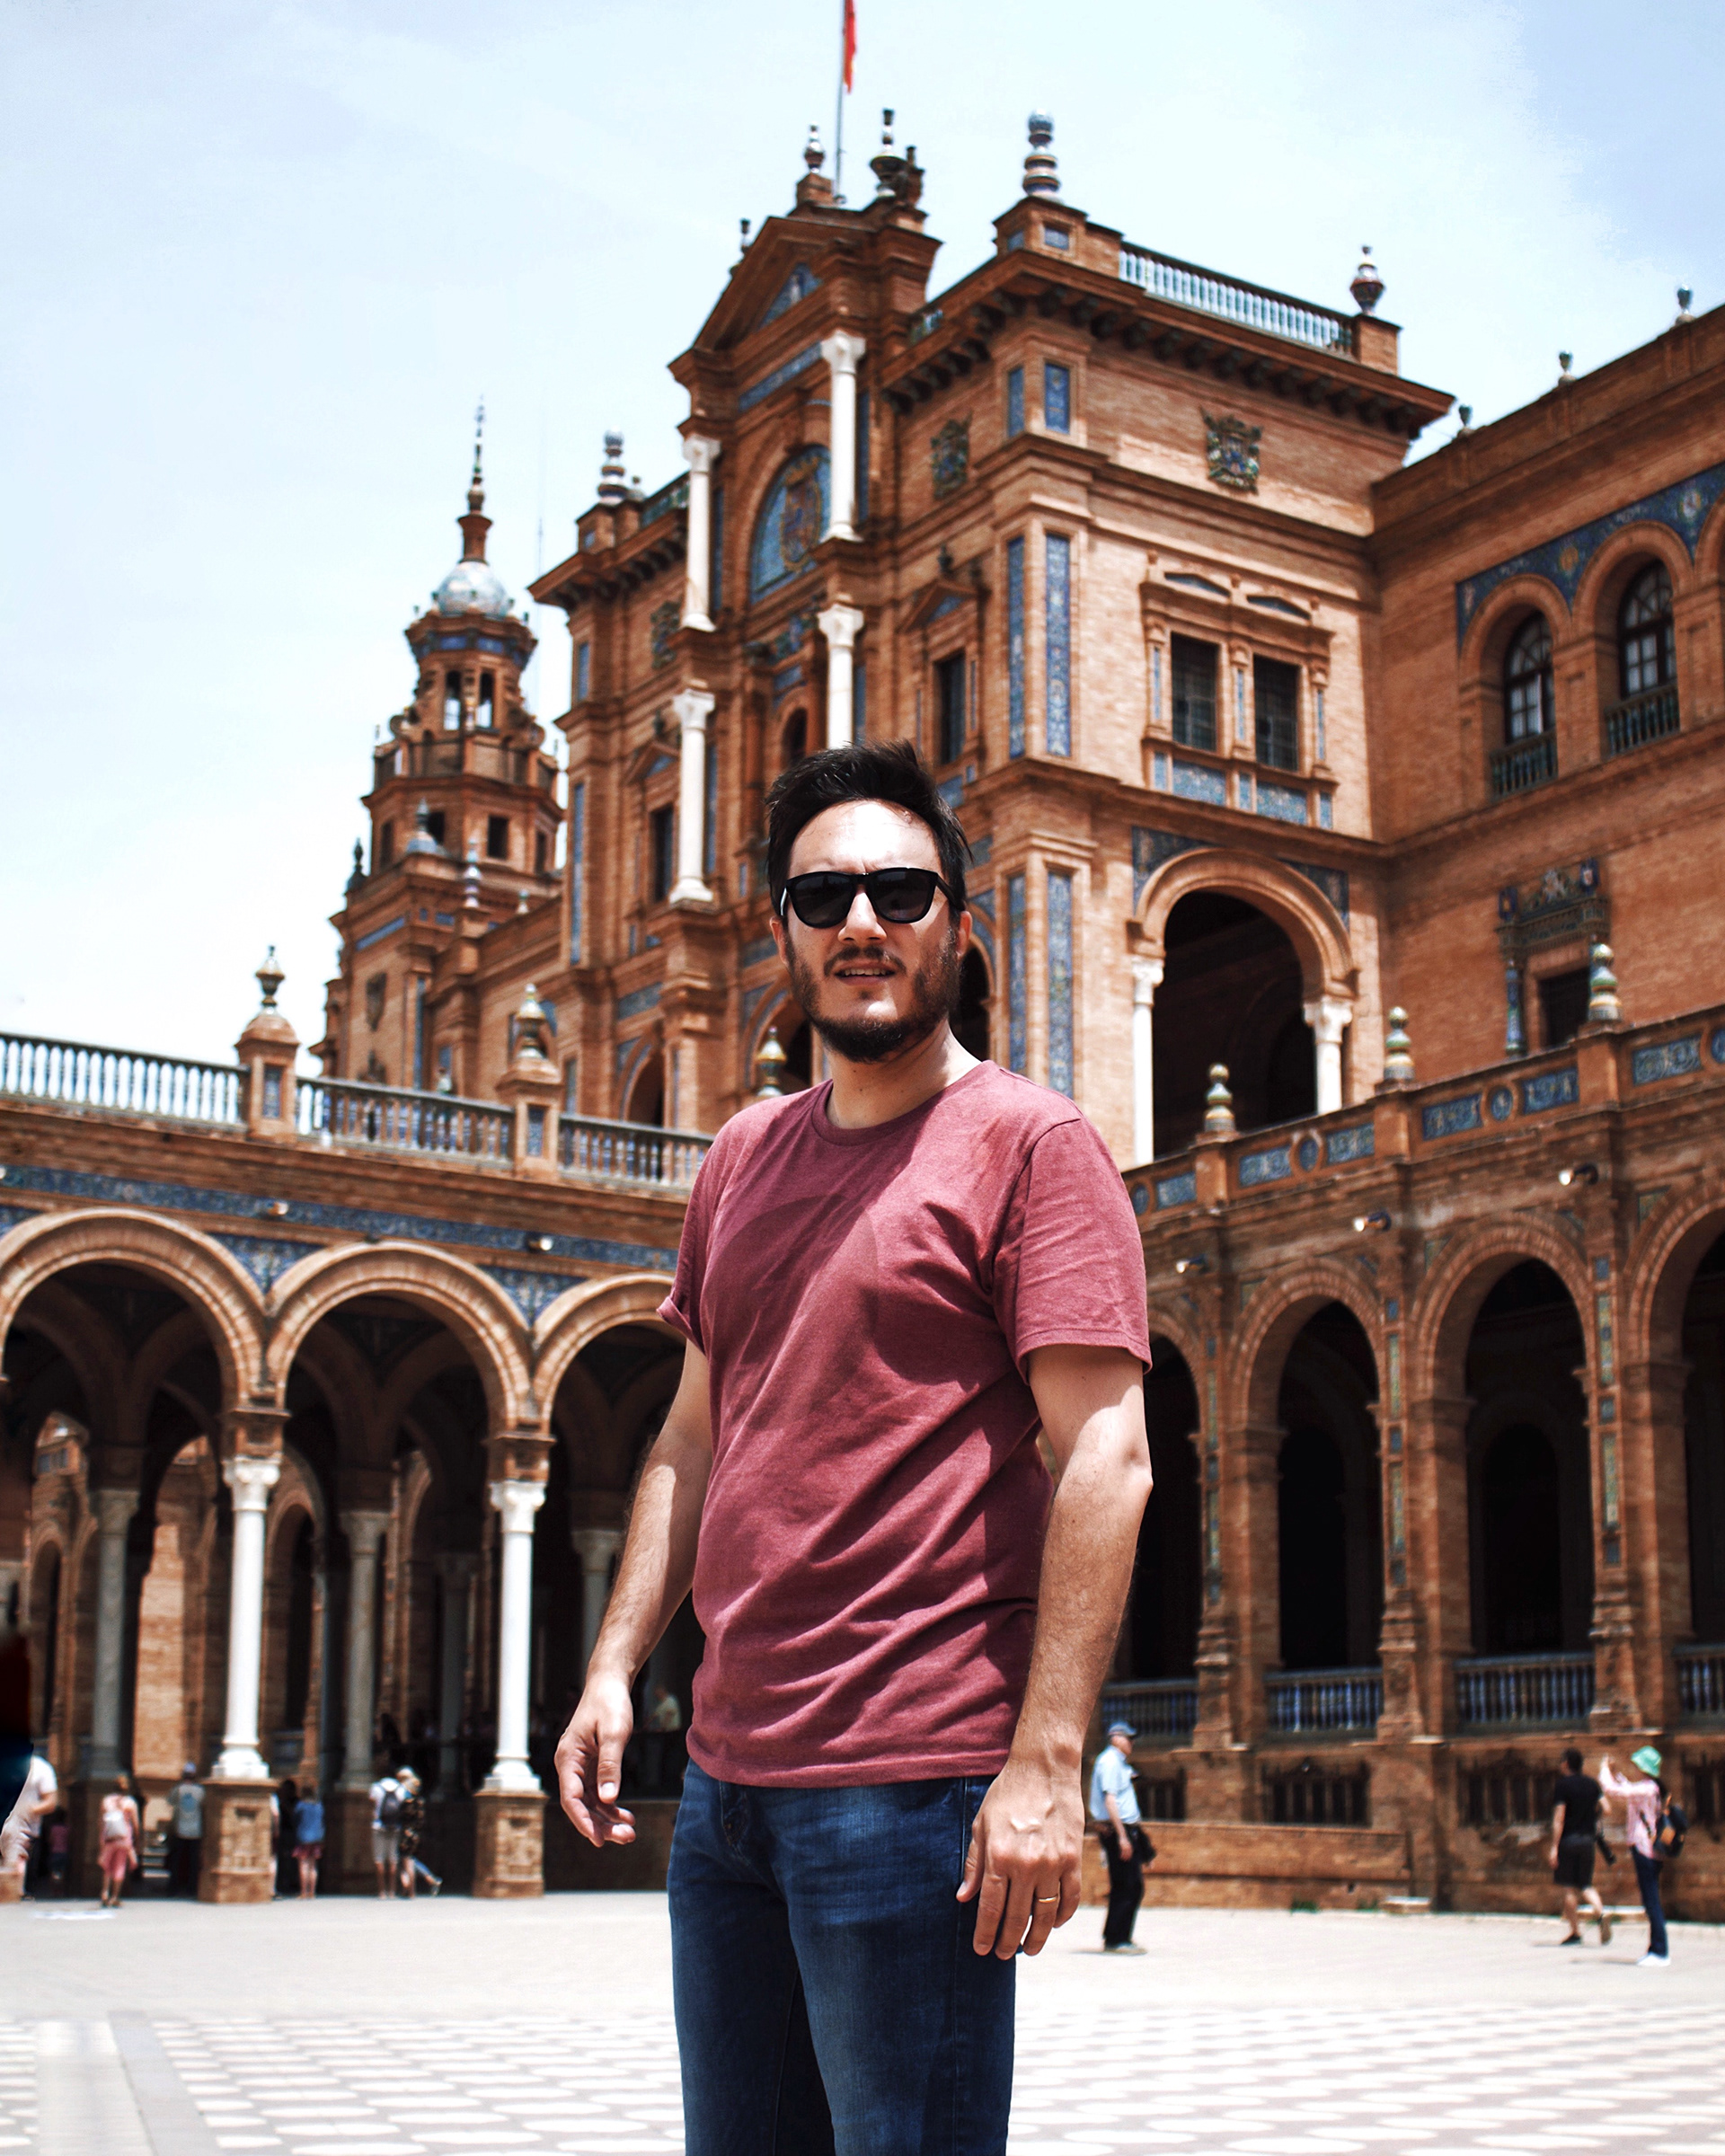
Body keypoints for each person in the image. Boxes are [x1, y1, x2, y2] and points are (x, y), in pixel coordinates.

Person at [555, 742, 1154, 2156]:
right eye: (824, 898)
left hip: (912, 1782)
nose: (862, 924)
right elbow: (692, 1434)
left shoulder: (1033, 1146)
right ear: (783, 933)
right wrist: (614, 1664)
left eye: (900, 891)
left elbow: (1107, 1459)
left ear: (959, 921)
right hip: (728, 1794)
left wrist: (1046, 1763)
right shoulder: (740, 1159)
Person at [1600, 1746, 1670, 1966]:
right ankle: (1655, 1949)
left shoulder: (1647, 1789)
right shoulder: (1650, 1788)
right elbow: (1627, 1788)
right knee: (1651, 1900)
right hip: (1649, 1849)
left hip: (1644, 1848)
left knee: (1651, 1901)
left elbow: (1613, 1791)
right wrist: (1615, 1773)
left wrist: (1603, 1770)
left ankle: (1660, 1951)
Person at [1090, 1721, 1150, 1953]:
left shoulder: (1118, 1763)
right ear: (1115, 1738)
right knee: (1127, 1885)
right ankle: (1117, 1939)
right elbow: (1110, 1800)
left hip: (1125, 1830)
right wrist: (1122, 1837)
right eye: (1128, 1738)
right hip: (1118, 1831)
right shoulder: (1109, 1762)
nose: (1132, 1743)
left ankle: (1117, 1935)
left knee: (1130, 1885)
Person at [1547, 1745, 1610, 1946]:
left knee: (1568, 1888)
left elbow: (1559, 1818)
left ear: (1566, 1763)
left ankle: (1575, 1932)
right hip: (1587, 1841)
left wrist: (1554, 1847)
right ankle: (1601, 1913)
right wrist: (1594, 1819)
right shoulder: (1592, 1784)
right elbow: (1607, 1808)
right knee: (1585, 1885)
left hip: (1568, 1841)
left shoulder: (1562, 1786)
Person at [0, 1744, 58, 1895]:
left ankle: (14, 1893)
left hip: (22, 1828)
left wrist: (27, 1810)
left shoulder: (41, 1768)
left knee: (15, 1865)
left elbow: (51, 1802)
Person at [97, 1772, 141, 1909]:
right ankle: (115, 1897)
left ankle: (105, 1893)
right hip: (124, 1839)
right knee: (119, 1867)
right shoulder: (130, 1803)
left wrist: (101, 1837)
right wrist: (137, 1840)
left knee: (107, 1867)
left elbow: (100, 1822)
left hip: (109, 1838)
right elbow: (136, 1824)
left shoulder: (106, 1801)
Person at [168, 1762, 203, 1897]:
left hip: (180, 1829)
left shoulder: (178, 1789)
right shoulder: (200, 1791)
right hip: (195, 1830)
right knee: (193, 1862)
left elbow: (170, 1802)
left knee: (177, 1861)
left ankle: (174, 1888)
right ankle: (192, 1888)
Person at [369, 1765, 404, 1897]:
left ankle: (382, 1891)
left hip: (379, 1826)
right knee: (393, 1859)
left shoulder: (376, 1787)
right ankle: (392, 1891)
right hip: (395, 1826)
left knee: (379, 1859)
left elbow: (373, 1805)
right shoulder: (400, 1788)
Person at [292, 1782, 324, 1900]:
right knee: (313, 1866)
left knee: (303, 1865)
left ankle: (303, 1892)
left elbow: (295, 1818)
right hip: (317, 1837)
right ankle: (312, 1892)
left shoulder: (301, 1806)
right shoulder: (319, 1805)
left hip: (303, 1837)